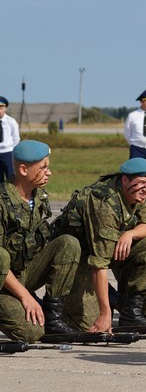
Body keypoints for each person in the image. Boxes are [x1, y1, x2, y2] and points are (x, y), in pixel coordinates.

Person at [53, 158, 146, 332]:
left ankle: (129, 313)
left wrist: (130, 233)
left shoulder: (137, 193)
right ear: (125, 180)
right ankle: (105, 299)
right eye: (142, 183)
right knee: (87, 325)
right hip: (79, 259)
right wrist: (105, 314)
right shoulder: (104, 202)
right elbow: (99, 263)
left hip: (107, 250)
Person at [0, 140, 82, 342]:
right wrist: (25, 297)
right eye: (43, 167)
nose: (49, 172)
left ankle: (54, 316)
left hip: (22, 274)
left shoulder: (39, 198)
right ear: (23, 169)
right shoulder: (2, 202)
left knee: (67, 243)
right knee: (33, 333)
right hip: (3, 281)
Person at [0, 96, 21, 181]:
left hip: (7, 153)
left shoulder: (11, 121)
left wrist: (13, 152)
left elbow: (16, 138)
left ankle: (11, 193)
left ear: (5, 108)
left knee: (11, 175)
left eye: (1, 108)